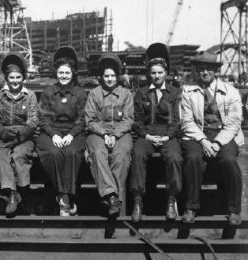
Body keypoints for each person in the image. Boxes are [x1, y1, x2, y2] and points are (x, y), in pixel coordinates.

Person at [180, 52, 243, 225]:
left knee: (229, 160)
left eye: (209, 69)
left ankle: (234, 210)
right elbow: (186, 121)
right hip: (197, 135)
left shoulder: (231, 92)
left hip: (224, 134)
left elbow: (234, 122)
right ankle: (191, 207)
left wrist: (216, 142)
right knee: (193, 158)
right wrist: (203, 141)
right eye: (201, 69)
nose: (205, 72)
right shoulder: (188, 91)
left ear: (215, 71)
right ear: (196, 71)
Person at [130, 43, 183, 222]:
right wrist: (147, 136)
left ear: (166, 73)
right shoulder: (141, 93)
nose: (157, 76)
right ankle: (138, 202)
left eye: (160, 72)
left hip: (169, 134)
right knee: (137, 153)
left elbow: (177, 120)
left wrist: (168, 136)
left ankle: (171, 200)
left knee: (174, 157)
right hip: (147, 134)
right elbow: (136, 120)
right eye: (153, 73)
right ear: (149, 74)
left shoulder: (175, 93)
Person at [36, 46, 87, 216]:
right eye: (60, 73)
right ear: (56, 73)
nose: (64, 76)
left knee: (72, 152)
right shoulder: (48, 92)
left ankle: (64, 197)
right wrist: (54, 135)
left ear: (72, 73)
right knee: (53, 152)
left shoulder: (79, 93)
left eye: (67, 73)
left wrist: (71, 135)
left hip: (74, 132)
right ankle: (64, 197)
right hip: (51, 132)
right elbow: (43, 118)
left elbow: (82, 119)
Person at [85, 53, 133, 218]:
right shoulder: (94, 94)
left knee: (121, 157)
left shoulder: (126, 94)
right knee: (97, 153)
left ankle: (117, 207)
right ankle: (111, 197)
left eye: (113, 75)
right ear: (101, 77)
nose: (110, 79)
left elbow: (128, 120)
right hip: (98, 132)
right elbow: (90, 120)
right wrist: (105, 134)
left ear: (118, 76)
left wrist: (115, 134)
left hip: (121, 133)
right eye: (106, 76)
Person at [0, 53, 38, 216]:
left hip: (24, 136)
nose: (15, 81)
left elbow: (33, 121)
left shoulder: (29, 96)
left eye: (18, 77)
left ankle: (23, 192)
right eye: (12, 77)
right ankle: (11, 194)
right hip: (4, 135)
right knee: (0, 153)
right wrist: (3, 133)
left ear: (23, 78)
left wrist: (20, 137)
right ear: (6, 78)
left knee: (19, 154)